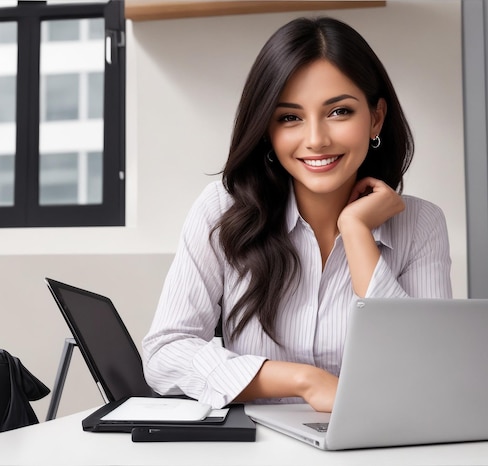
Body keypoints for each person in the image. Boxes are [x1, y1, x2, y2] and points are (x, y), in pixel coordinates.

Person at [142, 16, 452, 412]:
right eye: (289, 117)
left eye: (339, 111)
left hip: (374, 447)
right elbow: (166, 353)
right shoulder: (222, 210)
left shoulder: (422, 225)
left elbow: (429, 372)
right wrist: (306, 381)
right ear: (267, 129)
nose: (316, 140)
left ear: (375, 117)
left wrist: (355, 232)